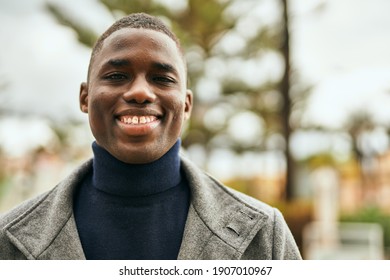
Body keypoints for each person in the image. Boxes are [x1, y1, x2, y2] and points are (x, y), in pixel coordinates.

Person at [0, 13, 301, 260]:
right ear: (85, 96)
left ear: (186, 105)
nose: (140, 92)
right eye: (117, 76)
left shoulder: (264, 234)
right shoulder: (10, 240)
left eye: (162, 79)